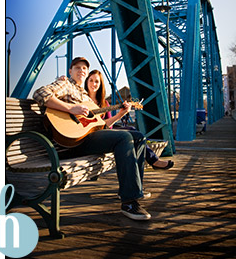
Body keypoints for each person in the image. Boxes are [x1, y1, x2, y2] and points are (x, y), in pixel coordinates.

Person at [33, 57, 151, 221]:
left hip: (86, 137)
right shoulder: (66, 84)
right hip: (69, 142)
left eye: (84, 68)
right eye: (77, 67)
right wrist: (70, 108)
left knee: (137, 136)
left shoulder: (87, 98)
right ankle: (129, 203)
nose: (81, 70)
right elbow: (40, 94)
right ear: (70, 71)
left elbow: (103, 125)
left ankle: (133, 188)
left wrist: (121, 114)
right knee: (124, 137)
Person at [83, 69, 174, 171]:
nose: (93, 84)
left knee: (134, 132)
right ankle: (153, 161)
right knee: (132, 134)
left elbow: (109, 127)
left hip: (104, 132)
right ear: (86, 81)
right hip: (89, 137)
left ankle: (150, 163)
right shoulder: (81, 100)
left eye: (97, 81)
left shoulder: (105, 104)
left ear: (100, 85)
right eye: (91, 80)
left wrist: (121, 113)